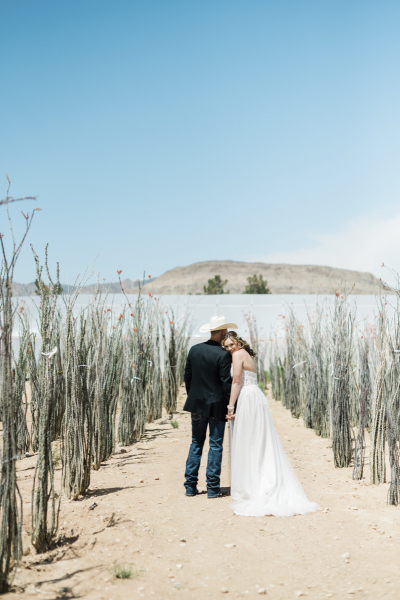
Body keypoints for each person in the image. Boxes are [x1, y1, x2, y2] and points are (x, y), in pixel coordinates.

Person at [223, 331, 319, 517]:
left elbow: (236, 381)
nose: (229, 349)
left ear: (239, 343)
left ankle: (254, 483)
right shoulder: (247, 355)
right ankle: (260, 477)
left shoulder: (237, 355)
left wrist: (230, 406)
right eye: (226, 346)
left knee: (249, 439)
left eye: (231, 344)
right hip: (255, 396)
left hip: (247, 397)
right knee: (259, 439)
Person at [183, 316, 238, 498]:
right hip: (216, 405)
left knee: (196, 443)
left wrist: (194, 396)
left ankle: (190, 486)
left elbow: (188, 378)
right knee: (215, 445)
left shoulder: (194, 349)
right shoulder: (223, 354)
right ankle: (213, 488)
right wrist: (232, 405)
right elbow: (226, 383)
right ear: (223, 332)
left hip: (197, 404)